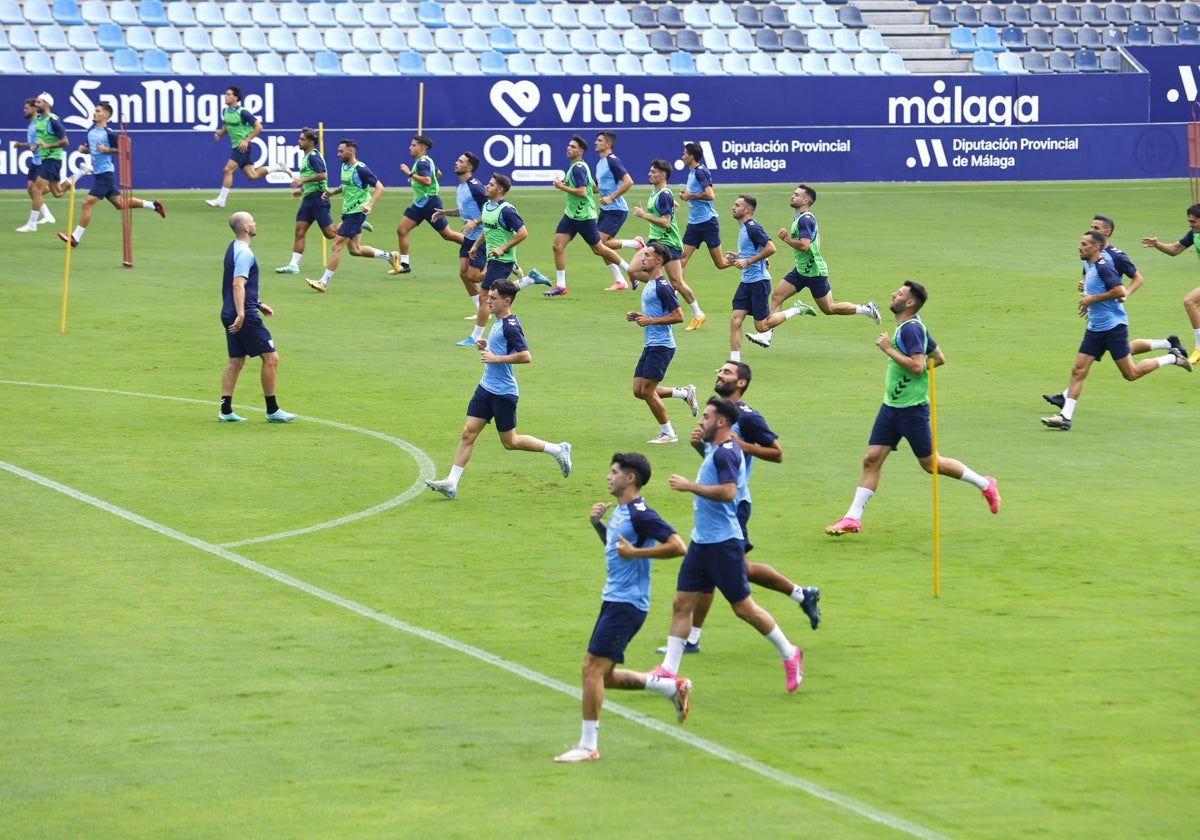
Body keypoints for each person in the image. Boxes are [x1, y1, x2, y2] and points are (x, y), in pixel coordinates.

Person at [660, 362, 821, 656]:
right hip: (718, 503)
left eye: (727, 373)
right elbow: (715, 458)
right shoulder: (716, 416)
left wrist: (743, 445)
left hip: (733, 504)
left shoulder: (748, 418)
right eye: (719, 372)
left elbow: (777, 454)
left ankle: (693, 639)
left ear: (741, 383)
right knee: (734, 569)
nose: (719, 375)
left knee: (721, 571)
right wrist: (700, 446)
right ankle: (801, 594)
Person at [652, 397, 806, 694]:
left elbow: (728, 492)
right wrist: (699, 447)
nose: (701, 420)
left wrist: (689, 486)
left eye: (706, 417)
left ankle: (790, 653)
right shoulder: (716, 448)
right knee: (681, 603)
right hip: (701, 541)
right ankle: (669, 670)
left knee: (744, 609)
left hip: (723, 543)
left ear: (721, 422)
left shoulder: (728, 453)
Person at [826, 281, 1000, 535]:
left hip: (911, 411)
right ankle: (853, 518)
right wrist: (908, 378)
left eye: (899, 293)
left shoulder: (910, 331)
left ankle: (986, 484)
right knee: (871, 459)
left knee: (931, 464)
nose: (893, 294)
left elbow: (919, 366)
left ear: (909, 303)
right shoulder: (913, 325)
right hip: (891, 407)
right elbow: (939, 358)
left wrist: (888, 350)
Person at [553, 453, 690, 763]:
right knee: (605, 676)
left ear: (630, 479)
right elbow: (616, 549)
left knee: (591, 670)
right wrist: (597, 525)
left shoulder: (641, 513)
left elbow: (678, 546)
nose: (608, 477)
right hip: (614, 599)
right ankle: (670, 688)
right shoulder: (619, 511)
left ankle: (588, 746)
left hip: (627, 604)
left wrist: (637, 554)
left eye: (613, 472)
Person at [425, 278, 572, 499]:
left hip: (503, 393)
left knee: (510, 442)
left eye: (493, 299)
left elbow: (526, 356)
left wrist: (495, 358)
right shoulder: (498, 320)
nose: (488, 301)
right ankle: (451, 482)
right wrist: (489, 346)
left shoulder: (510, 326)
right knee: (468, 433)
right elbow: (502, 347)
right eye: (488, 297)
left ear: (506, 301)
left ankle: (558, 449)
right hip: (486, 387)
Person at [1040, 231, 1191, 431]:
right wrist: (1088, 302)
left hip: (1113, 328)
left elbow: (1119, 291)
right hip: (1094, 328)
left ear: (1095, 247)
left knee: (1131, 373)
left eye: (1084, 244)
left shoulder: (1104, 267)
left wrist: (1092, 299)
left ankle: (1172, 357)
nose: (1080, 246)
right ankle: (1065, 417)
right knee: (1078, 370)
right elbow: (1094, 290)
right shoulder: (1089, 265)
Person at [746, 185, 880, 349]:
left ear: (805, 200)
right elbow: (816, 240)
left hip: (814, 272)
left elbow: (804, 245)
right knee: (777, 296)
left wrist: (785, 238)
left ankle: (866, 309)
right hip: (802, 270)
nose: (792, 196)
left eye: (796, 194)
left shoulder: (805, 219)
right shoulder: (801, 218)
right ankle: (767, 335)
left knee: (829, 308)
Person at [1043, 214, 1152, 409]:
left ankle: (1171, 350)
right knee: (1082, 366)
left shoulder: (1116, 256)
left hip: (1111, 315)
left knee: (1128, 370)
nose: (1092, 229)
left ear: (1106, 232)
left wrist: (1125, 293)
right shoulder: (1088, 252)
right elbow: (1089, 277)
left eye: (1096, 227)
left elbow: (1138, 278)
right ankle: (1066, 404)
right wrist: (1085, 288)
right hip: (1098, 315)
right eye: (1091, 226)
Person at [218, 211, 296, 424]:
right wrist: (243, 313)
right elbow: (237, 284)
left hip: (229, 311)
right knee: (271, 358)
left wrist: (259, 304)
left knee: (236, 360)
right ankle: (273, 410)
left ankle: (225, 411)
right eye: (252, 221)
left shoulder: (232, 247)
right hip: (242, 314)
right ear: (245, 228)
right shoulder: (245, 253)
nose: (255, 223)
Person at [458, 173, 550, 346]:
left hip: (503, 259)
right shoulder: (487, 206)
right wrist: (476, 246)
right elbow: (487, 228)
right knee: (500, 292)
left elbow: (523, 233)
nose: (486, 186)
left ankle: (476, 337)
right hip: (492, 257)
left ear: (500, 190)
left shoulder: (507, 210)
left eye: (491, 185)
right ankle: (530, 278)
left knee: (485, 295)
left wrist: (503, 248)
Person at [54, 104, 165, 248]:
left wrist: (108, 150)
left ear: (106, 115)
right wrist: (84, 150)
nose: (94, 113)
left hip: (106, 174)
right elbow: (91, 150)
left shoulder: (109, 133)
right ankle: (154, 205)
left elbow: (125, 149)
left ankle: (75, 237)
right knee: (120, 204)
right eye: (95, 110)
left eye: (98, 111)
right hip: (99, 174)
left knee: (87, 203)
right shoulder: (91, 132)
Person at [722, 194, 815, 362]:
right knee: (735, 320)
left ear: (747, 210)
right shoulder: (743, 228)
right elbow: (755, 250)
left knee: (762, 325)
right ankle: (734, 364)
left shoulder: (752, 227)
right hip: (746, 282)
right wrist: (738, 257)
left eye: (737, 205)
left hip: (758, 282)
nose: (733, 207)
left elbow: (771, 248)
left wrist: (748, 261)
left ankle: (797, 309)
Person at [305, 139, 401, 292]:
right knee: (355, 250)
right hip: (348, 212)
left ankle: (323, 283)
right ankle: (390, 256)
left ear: (351, 151)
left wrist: (369, 205)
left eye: (341, 151)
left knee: (336, 246)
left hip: (356, 213)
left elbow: (380, 187)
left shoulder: (361, 168)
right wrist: (332, 192)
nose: (338, 154)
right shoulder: (345, 166)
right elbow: (347, 185)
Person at [625, 241, 698, 444]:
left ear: (659, 260)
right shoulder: (650, 283)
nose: (643, 258)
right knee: (639, 391)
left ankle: (669, 433)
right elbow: (658, 312)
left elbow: (679, 316)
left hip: (662, 346)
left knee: (647, 391)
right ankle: (683, 393)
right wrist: (641, 316)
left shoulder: (663, 287)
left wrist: (650, 321)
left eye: (647, 255)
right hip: (651, 344)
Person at [544, 134, 630, 297]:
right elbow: (591, 188)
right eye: (569, 146)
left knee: (599, 249)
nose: (569, 148)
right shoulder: (581, 166)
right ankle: (561, 285)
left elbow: (582, 192)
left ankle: (629, 269)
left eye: (573, 147)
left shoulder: (579, 168)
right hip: (571, 214)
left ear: (581, 151)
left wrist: (561, 187)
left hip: (584, 216)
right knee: (557, 245)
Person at [631, 158, 705, 327]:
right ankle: (663, 288)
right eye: (650, 171)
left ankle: (698, 313)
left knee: (677, 282)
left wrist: (644, 215)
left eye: (653, 172)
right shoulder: (658, 192)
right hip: (656, 240)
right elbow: (666, 204)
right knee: (633, 270)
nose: (649, 174)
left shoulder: (664, 194)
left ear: (663, 175)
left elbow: (665, 222)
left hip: (668, 243)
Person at [432, 152, 492, 340]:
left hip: (481, 237)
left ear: (470, 168)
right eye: (457, 160)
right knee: (463, 274)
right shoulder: (461, 187)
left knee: (474, 276)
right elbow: (463, 210)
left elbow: (491, 208)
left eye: (461, 162)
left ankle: (499, 264)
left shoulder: (476, 187)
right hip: (468, 237)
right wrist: (445, 212)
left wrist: (475, 221)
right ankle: (481, 309)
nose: (456, 163)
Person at [205, 85, 291, 209]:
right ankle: (278, 167)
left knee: (227, 170)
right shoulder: (225, 111)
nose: (226, 96)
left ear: (236, 98)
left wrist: (246, 140)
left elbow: (259, 127)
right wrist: (220, 133)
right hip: (236, 147)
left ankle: (221, 200)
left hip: (242, 147)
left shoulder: (243, 112)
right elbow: (227, 125)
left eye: (229, 94)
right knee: (252, 176)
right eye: (226, 94)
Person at [393, 134, 463, 275]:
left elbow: (427, 181)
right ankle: (405, 265)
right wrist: (415, 180)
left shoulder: (422, 163)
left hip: (430, 204)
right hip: (419, 205)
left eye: (413, 145)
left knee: (447, 235)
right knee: (402, 229)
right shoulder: (426, 161)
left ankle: (480, 245)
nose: (410, 147)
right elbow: (438, 174)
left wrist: (410, 175)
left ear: (422, 148)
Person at [1140, 203, 1200, 366]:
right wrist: (1157, 244)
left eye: (1193, 221)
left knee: (1190, 301)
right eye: (1189, 221)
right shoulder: (1194, 233)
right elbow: (1175, 249)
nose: (1190, 224)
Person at [275, 128, 338, 275]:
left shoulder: (313, 157)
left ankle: (355, 223)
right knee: (299, 231)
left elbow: (322, 175)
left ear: (310, 142)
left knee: (330, 234)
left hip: (318, 199)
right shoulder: (307, 156)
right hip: (308, 199)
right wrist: (302, 190)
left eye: (302, 139)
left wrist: (301, 180)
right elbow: (312, 178)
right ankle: (293, 265)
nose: (299, 141)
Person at [593, 131, 641, 291]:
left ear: (608, 144)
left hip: (616, 209)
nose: (595, 142)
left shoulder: (613, 161)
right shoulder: (600, 163)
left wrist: (611, 197)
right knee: (600, 249)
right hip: (606, 209)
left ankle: (636, 245)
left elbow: (628, 181)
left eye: (599, 140)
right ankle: (620, 281)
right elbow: (600, 189)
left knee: (600, 244)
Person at [16, 92, 69, 234]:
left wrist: (47, 146)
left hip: (52, 159)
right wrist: (36, 146)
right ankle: (75, 177)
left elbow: (65, 141)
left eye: (39, 102)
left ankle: (32, 224)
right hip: (44, 158)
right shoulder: (39, 120)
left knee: (36, 189)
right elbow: (41, 139)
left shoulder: (53, 121)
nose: (36, 104)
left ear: (46, 104)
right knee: (58, 193)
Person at [14, 97, 56, 232]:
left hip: (43, 160)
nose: (24, 111)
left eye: (26, 108)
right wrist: (21, 145)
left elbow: (44, 141)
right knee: (30, 189)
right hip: (35, 160)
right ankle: (48, 216)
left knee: (37, 190)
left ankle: (32, 224)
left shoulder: (40, 123)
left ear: (34, 109)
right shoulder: (31, 125)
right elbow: (33, 144)